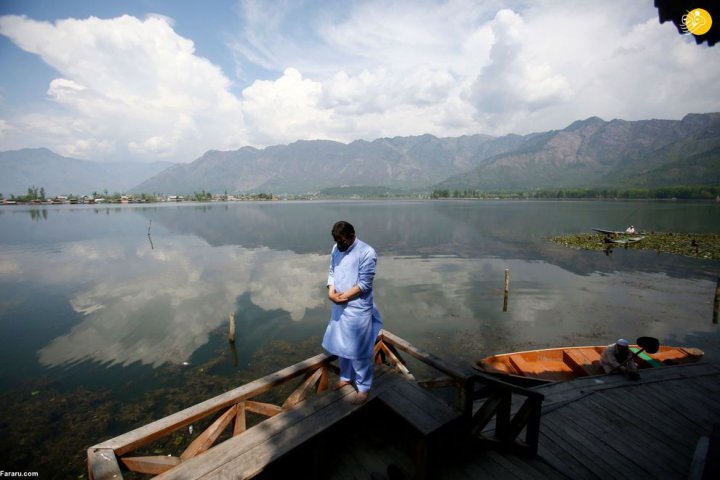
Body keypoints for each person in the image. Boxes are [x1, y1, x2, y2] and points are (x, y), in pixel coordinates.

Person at [322, 221, 383, 405]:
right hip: (339, 304)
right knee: (342, 345)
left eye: (343, 242)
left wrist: (342, 297)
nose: (340, 246)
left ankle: (364, 386)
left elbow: (365, 284)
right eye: (337, 242)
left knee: (359, 349)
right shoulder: (336, 248)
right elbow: (332, 271)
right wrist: (331, 292)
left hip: (357, 308)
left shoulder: (367, 252)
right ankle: (346, 377)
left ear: (352, 235)